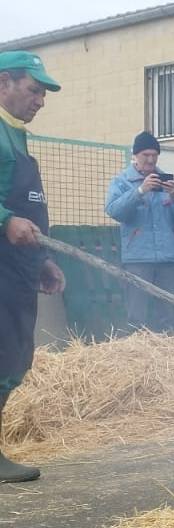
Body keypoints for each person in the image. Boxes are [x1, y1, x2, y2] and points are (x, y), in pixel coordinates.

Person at [0, 51, 65, 483]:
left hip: (19, 268)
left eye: (43, 93)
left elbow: (25, 207)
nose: (40, 100)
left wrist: (41, 257)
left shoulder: (15, 136)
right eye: (33, 90)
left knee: (13, 358)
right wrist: (4, 221)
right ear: (4, 81)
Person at [105, 131, 174, 332]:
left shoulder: (168, 183)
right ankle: (135, 357)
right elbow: (114, 211)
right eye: (146, 154)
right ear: (135, 155)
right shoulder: (122, 182)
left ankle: (167, 358)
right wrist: (139, 191)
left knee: (167, 317)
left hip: (168, 259)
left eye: (155, 154)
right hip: (138, 258)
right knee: (136, 316)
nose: (151, 159)